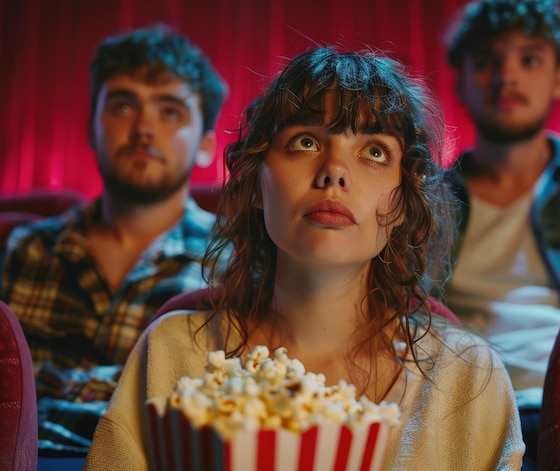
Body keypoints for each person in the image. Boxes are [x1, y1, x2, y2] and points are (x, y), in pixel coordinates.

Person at [84, 46, 524, 470]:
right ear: (256, 183)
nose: (334, 171)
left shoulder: (467, 378)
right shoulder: (171, 352)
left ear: (406, 204)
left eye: (374, 152)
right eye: (306, 141)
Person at [0, 24, 228, 453]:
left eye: (171, 111)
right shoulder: (23, 248)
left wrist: (49, 382)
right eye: (123, 106)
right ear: (91, 128)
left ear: (206, 146)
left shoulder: (234, 261)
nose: (144, 127)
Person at [441, 0, 560, 468]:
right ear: (460, 80)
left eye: (529, 59)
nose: (507, 78)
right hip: (462, 405)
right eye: (485, 62)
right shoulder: (418, 202)